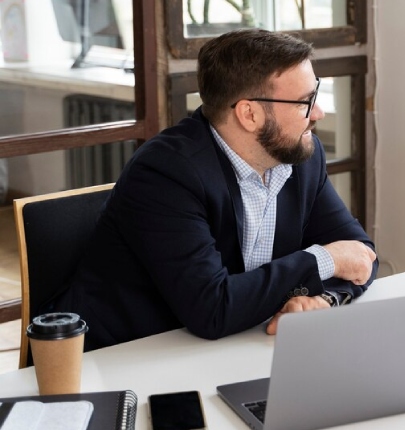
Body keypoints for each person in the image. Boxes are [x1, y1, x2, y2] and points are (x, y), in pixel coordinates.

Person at [49, 29, 378, 351]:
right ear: (249, 114)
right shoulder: (165, 173)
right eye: (305, 102)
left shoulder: (302, 156)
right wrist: (325, 259)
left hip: (232, 345)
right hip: (123, 360)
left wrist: (323, 298)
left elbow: (361, 255)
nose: (317, 114)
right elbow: (212, 309)